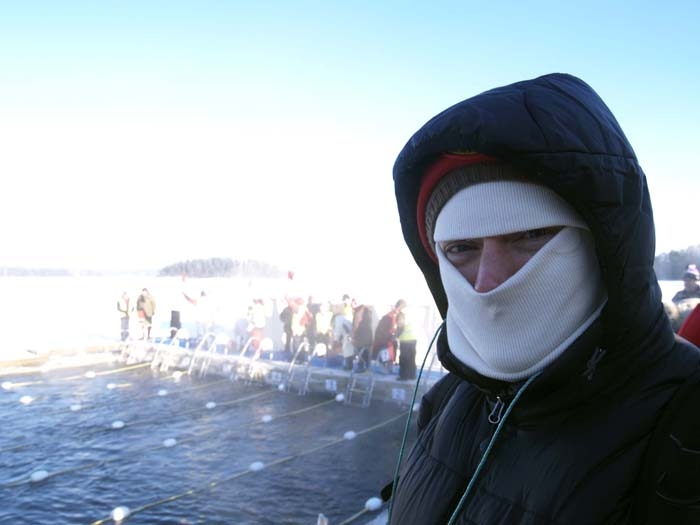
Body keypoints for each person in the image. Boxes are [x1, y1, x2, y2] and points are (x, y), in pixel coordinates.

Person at [386, 73, 700, 524]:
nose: (487, 282)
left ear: (604, 247)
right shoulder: (450, 399)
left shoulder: (683, 422)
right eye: (461, 248)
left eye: (529, 235)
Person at [372, 301, 402, 373]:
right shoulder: (388, 317)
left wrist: (394, 336)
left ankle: (389, 367)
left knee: (391, 353)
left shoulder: (396, 316)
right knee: (385, 354)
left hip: (390, 339)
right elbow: (383, 330)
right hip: (384, 340)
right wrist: (390, 336)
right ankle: (384, 368)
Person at [394, 300, 417, 381]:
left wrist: (395, 336)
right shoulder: (411, 313)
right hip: (413, 339)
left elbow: (401, 325)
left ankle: (403, 376)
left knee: (404, 359)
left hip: (405, 340)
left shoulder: (402, 314)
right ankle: (412, 375)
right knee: (411, 358)